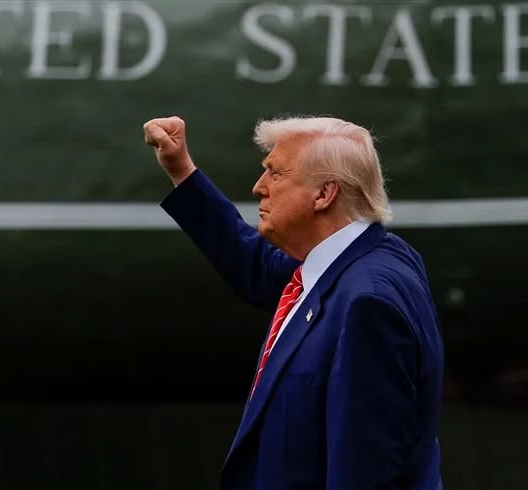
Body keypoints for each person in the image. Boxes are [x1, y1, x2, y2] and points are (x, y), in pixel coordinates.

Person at [143, 115, 444, 490]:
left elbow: (365, 472)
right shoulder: (353, 259)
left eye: (275, 173)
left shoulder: (368, 303)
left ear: (324, 194)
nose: (259, 187)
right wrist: (182, 171)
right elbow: (256, 265)